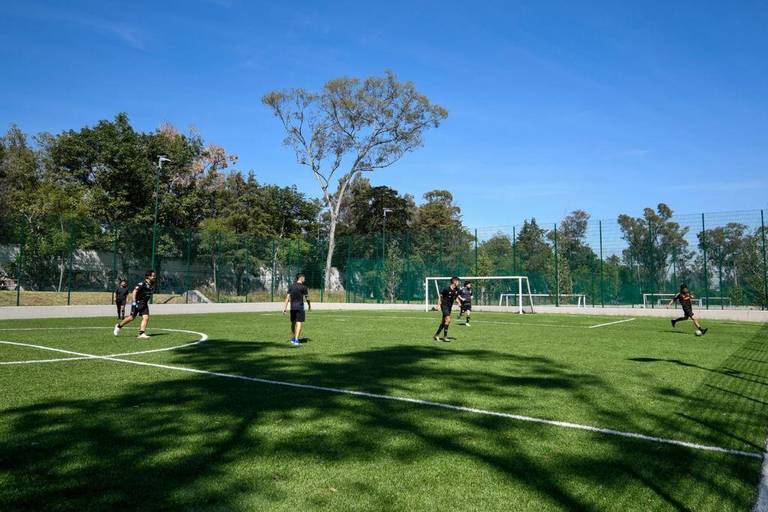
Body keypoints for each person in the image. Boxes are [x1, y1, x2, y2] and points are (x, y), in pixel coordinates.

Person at [113, 270, 157, 339]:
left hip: (144, 304)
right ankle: (118, 326)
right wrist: (134, 301)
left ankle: (141, 333)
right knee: (131, 318)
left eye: (155, 276)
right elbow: (134, 291)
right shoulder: (142, 283)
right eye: (153, 276)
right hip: (137, 303)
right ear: (148, 277)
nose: (155, 277)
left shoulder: (151, 284)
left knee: (146, 317)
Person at [283, 273, 311, 346]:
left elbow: (287, 298)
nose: (304, 279)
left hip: (292, 308)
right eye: (304, 278)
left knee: (293, 323)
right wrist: (309, 305)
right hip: (300, 307)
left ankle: (293, 338)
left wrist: (285, 309)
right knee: (299, 323)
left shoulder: (291, 286)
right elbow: (307, 298)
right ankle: (296, 340)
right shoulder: (304, 287)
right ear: (301, 278)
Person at [434, 276, 463, 341]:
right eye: (458, 281)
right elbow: (441, 296)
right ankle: (445, 337)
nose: (459, 283)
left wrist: (459, 303)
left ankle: (436, 335)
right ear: (454, 282)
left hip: (449, 307)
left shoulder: (457, 290)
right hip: (444, 306)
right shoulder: (446, 289)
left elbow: (455, 298)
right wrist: (438, 305)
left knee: (444, 322)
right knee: (448, 320)